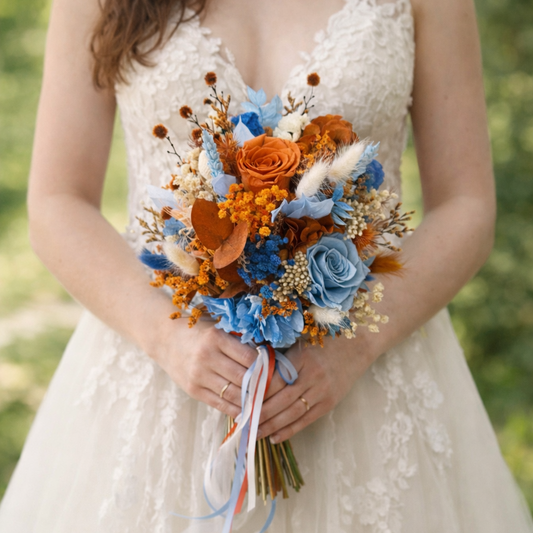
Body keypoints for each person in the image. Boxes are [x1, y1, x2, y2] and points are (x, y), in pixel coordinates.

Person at [1, 0, 532, 531]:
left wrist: (355, 349)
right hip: (160, 366)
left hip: (366, 373)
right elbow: (57, 202)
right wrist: (169, 340)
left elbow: (467, 206)